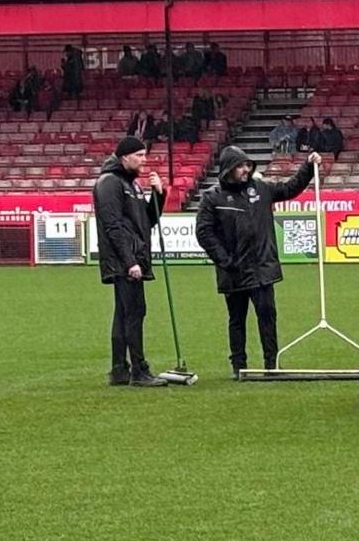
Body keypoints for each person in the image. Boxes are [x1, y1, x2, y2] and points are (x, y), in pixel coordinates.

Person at [196, 146, 318, 378]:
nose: (245, 170)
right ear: (228, 169)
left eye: (247, 165)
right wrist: (225, 259)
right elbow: (204, 233)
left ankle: (272, 364)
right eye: (240, 166)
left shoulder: (261, 188)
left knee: (268, 315)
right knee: (237, 319)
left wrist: (308, 167)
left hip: (263, 268)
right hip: (233, 270)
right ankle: (239, 365)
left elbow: (290, 188)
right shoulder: (213, 197)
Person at [94, 136, 169, 388]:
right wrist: (129, 262)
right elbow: (112, 227)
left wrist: (159, 195)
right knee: (134, 312)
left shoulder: (133, 185)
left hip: (132, 257)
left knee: (124, 313)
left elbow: (147, 221)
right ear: (124, 157)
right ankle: (139, 369)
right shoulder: (110, 183)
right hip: (123, 261)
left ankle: (119, 370)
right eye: (139, 156)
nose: (144, 161)